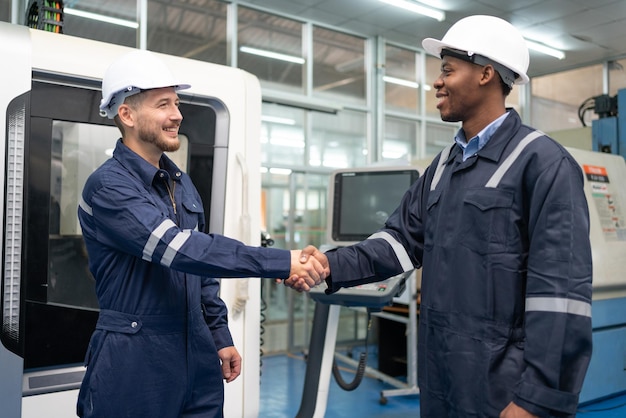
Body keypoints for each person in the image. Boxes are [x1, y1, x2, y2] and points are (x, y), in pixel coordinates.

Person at [292, 15, 593, 418]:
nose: (437, 82)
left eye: (448, 70)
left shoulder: (543, 164)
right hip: (442, 379)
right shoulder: (442, 168)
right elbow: (397, 243)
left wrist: (536, 400)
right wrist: (329, 264)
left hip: (504, 389)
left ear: (487, 74)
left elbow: (561, 295)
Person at [76, 49, 326, 418]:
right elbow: (182, 250)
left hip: (197, 355)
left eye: (176, 104)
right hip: (135, 359)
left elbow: (202, 274)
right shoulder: (109, 187)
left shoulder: (179, 182)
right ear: (127, 115)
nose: (177, 115)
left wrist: (219, 337)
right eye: (163, 104)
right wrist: (284, 260)